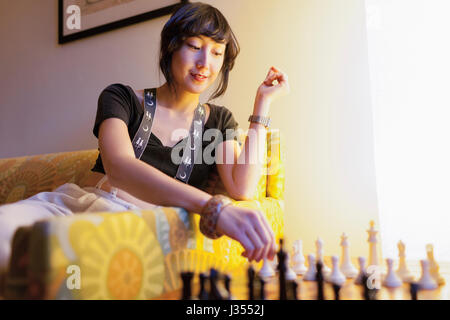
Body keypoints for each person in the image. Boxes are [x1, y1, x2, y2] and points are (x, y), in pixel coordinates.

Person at [0, 2, 289, 275]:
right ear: (171, 47)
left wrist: (261, 106)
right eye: (195, 46)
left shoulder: (219, 121)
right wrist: (213, 207)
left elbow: (243, 188)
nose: (205, 62)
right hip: (71, 205)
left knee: (58, 269)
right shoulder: (121, 97)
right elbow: (119, 168)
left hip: (128, 227)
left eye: (217, 52)